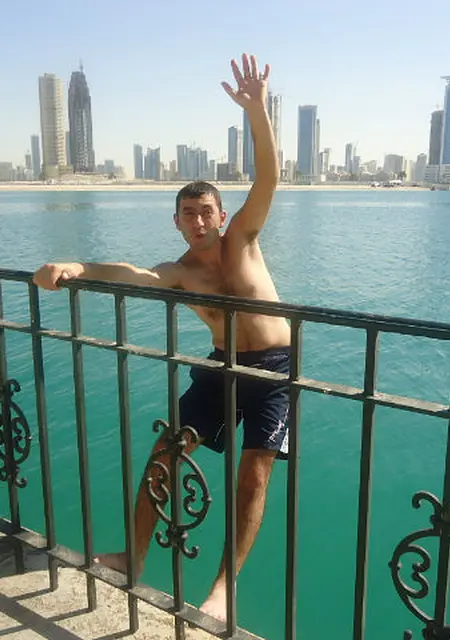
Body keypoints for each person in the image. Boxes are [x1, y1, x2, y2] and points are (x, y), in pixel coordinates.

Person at [33, 53, 291, 621]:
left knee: (254, 474)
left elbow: (269, 177)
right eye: (187, 214)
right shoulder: (180, 272)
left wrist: (256, 110)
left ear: (221, 215)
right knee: (164, 454)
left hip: (273, 367)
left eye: (206, 212)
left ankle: (223, 589)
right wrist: (76, 265)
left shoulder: (243, 240)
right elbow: (133, 275)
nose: (198, 221)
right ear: (176, 221)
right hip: (222, 364)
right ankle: (133, 556)